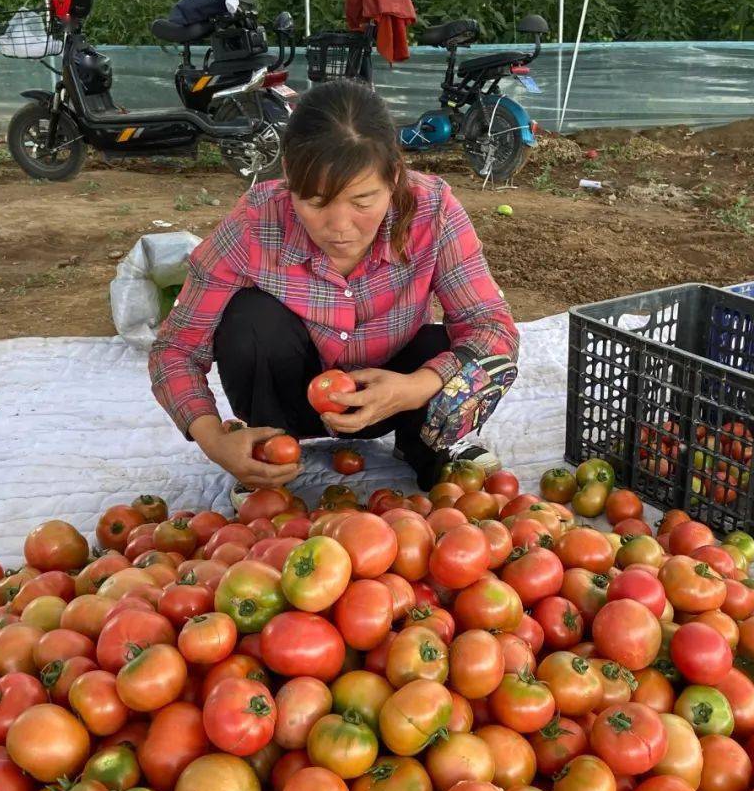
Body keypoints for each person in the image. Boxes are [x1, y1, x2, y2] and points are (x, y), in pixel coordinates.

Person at [149, 79, 519, 506]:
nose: (340, 226)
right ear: (289, 175)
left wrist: (415, 387)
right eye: (317, 202)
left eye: (363, 201)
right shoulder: (256, 223)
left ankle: (424, 446)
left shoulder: (431, 211)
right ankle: (268, 452)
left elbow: (493, 329)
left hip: (395, 394)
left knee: (444, 346)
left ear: (394, 177)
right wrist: (212, 436)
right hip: (289, 400)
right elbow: (175, 348)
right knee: (249, 319)